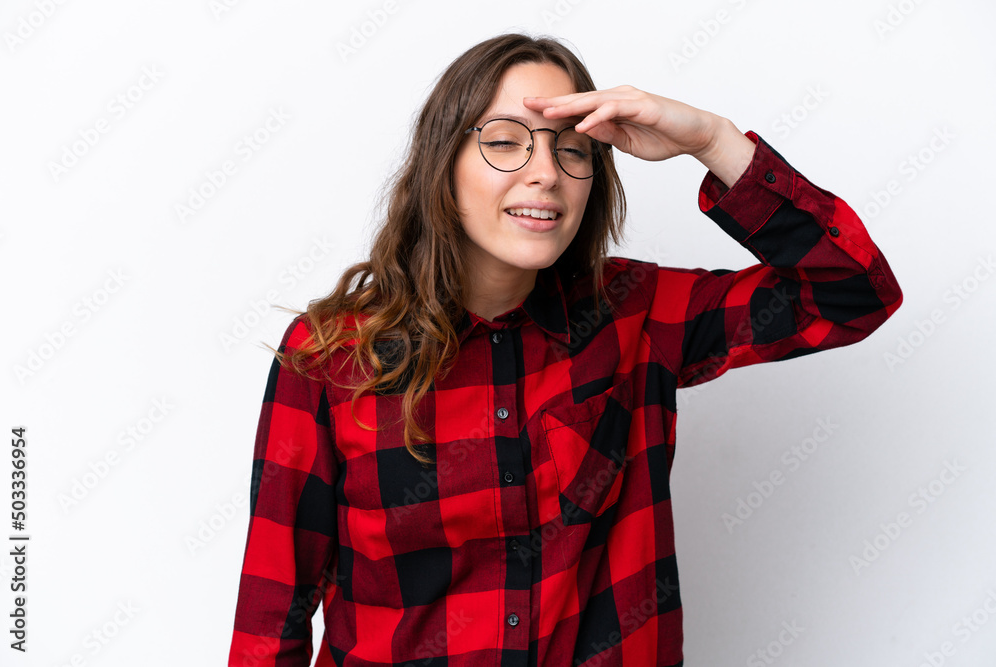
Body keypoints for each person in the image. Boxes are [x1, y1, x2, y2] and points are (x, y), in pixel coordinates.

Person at [228, 33, 902, 667]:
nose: (546, 173)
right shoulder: (334, 356)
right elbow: (272, 613)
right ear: (443, 166)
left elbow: (852, 294)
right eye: (505, 142)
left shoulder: (636, 314)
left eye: (572, 149)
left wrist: (713, 140)